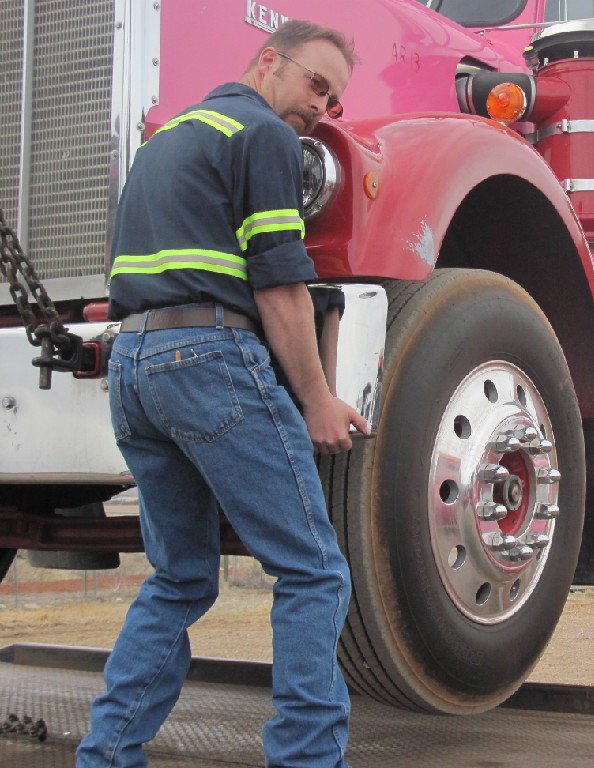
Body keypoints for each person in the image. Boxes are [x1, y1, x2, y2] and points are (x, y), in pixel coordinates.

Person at [76, 20, 367, 768]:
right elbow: (279, 281)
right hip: (208, 356)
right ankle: (307, 760)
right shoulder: (262, 132)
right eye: (316, 83)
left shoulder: (164, 142)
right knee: (313, 570)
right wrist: (318, 400)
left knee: (179, 578)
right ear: (269, 60)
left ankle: (107, 755)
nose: (323, 108)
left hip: (133, 365)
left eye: (334, 98)